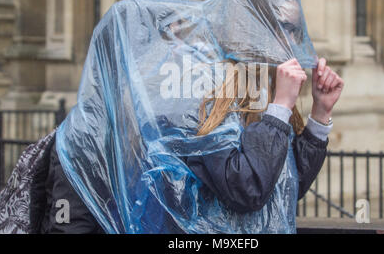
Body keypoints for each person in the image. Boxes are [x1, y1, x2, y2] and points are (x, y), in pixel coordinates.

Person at [35, 56, 343, 233]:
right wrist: (281, 106)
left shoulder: (231, 115)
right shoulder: (88, 136)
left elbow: (282, 186)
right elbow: (249, 187)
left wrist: (319, 115)